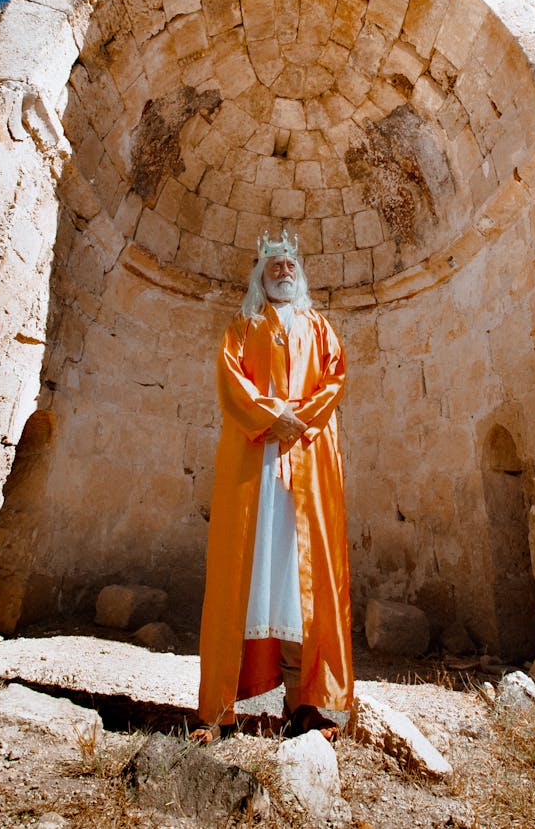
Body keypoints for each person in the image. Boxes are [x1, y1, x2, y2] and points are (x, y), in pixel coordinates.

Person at [190, 230, 353, 742]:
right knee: (246, 570)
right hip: (253, 467)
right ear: (260, 276)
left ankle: (313, 705)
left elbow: (335, 378)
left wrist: (296, 418)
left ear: (299, 274)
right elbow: (229, 379)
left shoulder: (320, 327)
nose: (284, 271)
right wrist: (270, 416)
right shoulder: (242, 327)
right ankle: (219, 711)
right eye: (274, 265)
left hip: (306, 464)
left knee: (308, 575)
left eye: (290, 265)